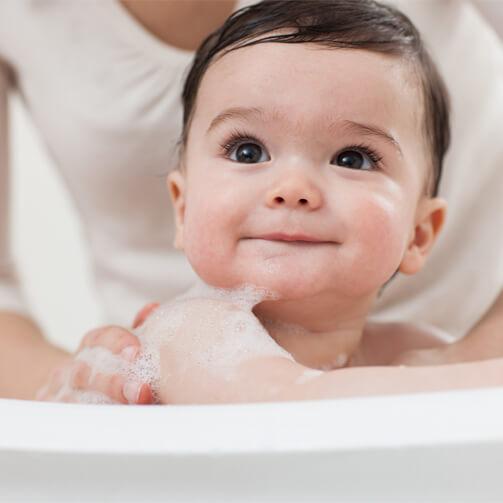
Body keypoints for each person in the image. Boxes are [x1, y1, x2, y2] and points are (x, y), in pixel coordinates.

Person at [1, 0, 502, 403]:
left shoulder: (410, 349)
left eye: (352, 159)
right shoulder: (192, 332)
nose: (292, 187)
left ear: (419, 235)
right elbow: (290, 407)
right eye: (247, 151)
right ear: (181, 207)